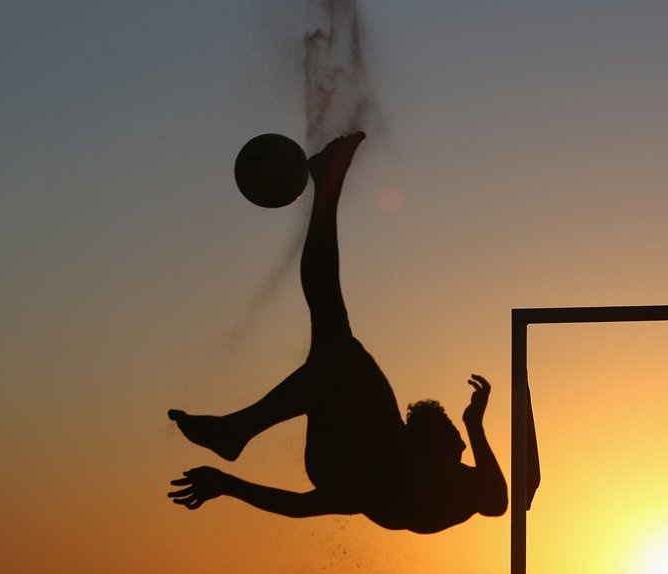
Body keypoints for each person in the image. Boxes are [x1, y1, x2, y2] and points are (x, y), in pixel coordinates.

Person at [167, 132, 507, 533]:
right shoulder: (413, 461)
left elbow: (498, 503)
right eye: (443, 437)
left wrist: (229, 485)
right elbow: (494, 496)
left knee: (339, 343)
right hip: (346, 441)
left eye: (449, 438)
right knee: (331, 323)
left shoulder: (431, 484)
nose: (455, 444)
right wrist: (469, 425)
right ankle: (327, 183)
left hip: (339, 465)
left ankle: (238, 429)